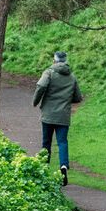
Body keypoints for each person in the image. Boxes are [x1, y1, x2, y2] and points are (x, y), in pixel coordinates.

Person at [32, 50, 83, 186]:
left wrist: (35, 101)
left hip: (48, 114)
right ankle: (63, 167)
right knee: (62, 142)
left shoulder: (48, 73)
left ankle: (43, 169)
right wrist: (66, 99)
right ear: (65, 61)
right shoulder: (71, 77)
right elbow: (78, 97)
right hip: (63, 115)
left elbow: (41, 86)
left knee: (46, 142)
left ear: (54, 60)